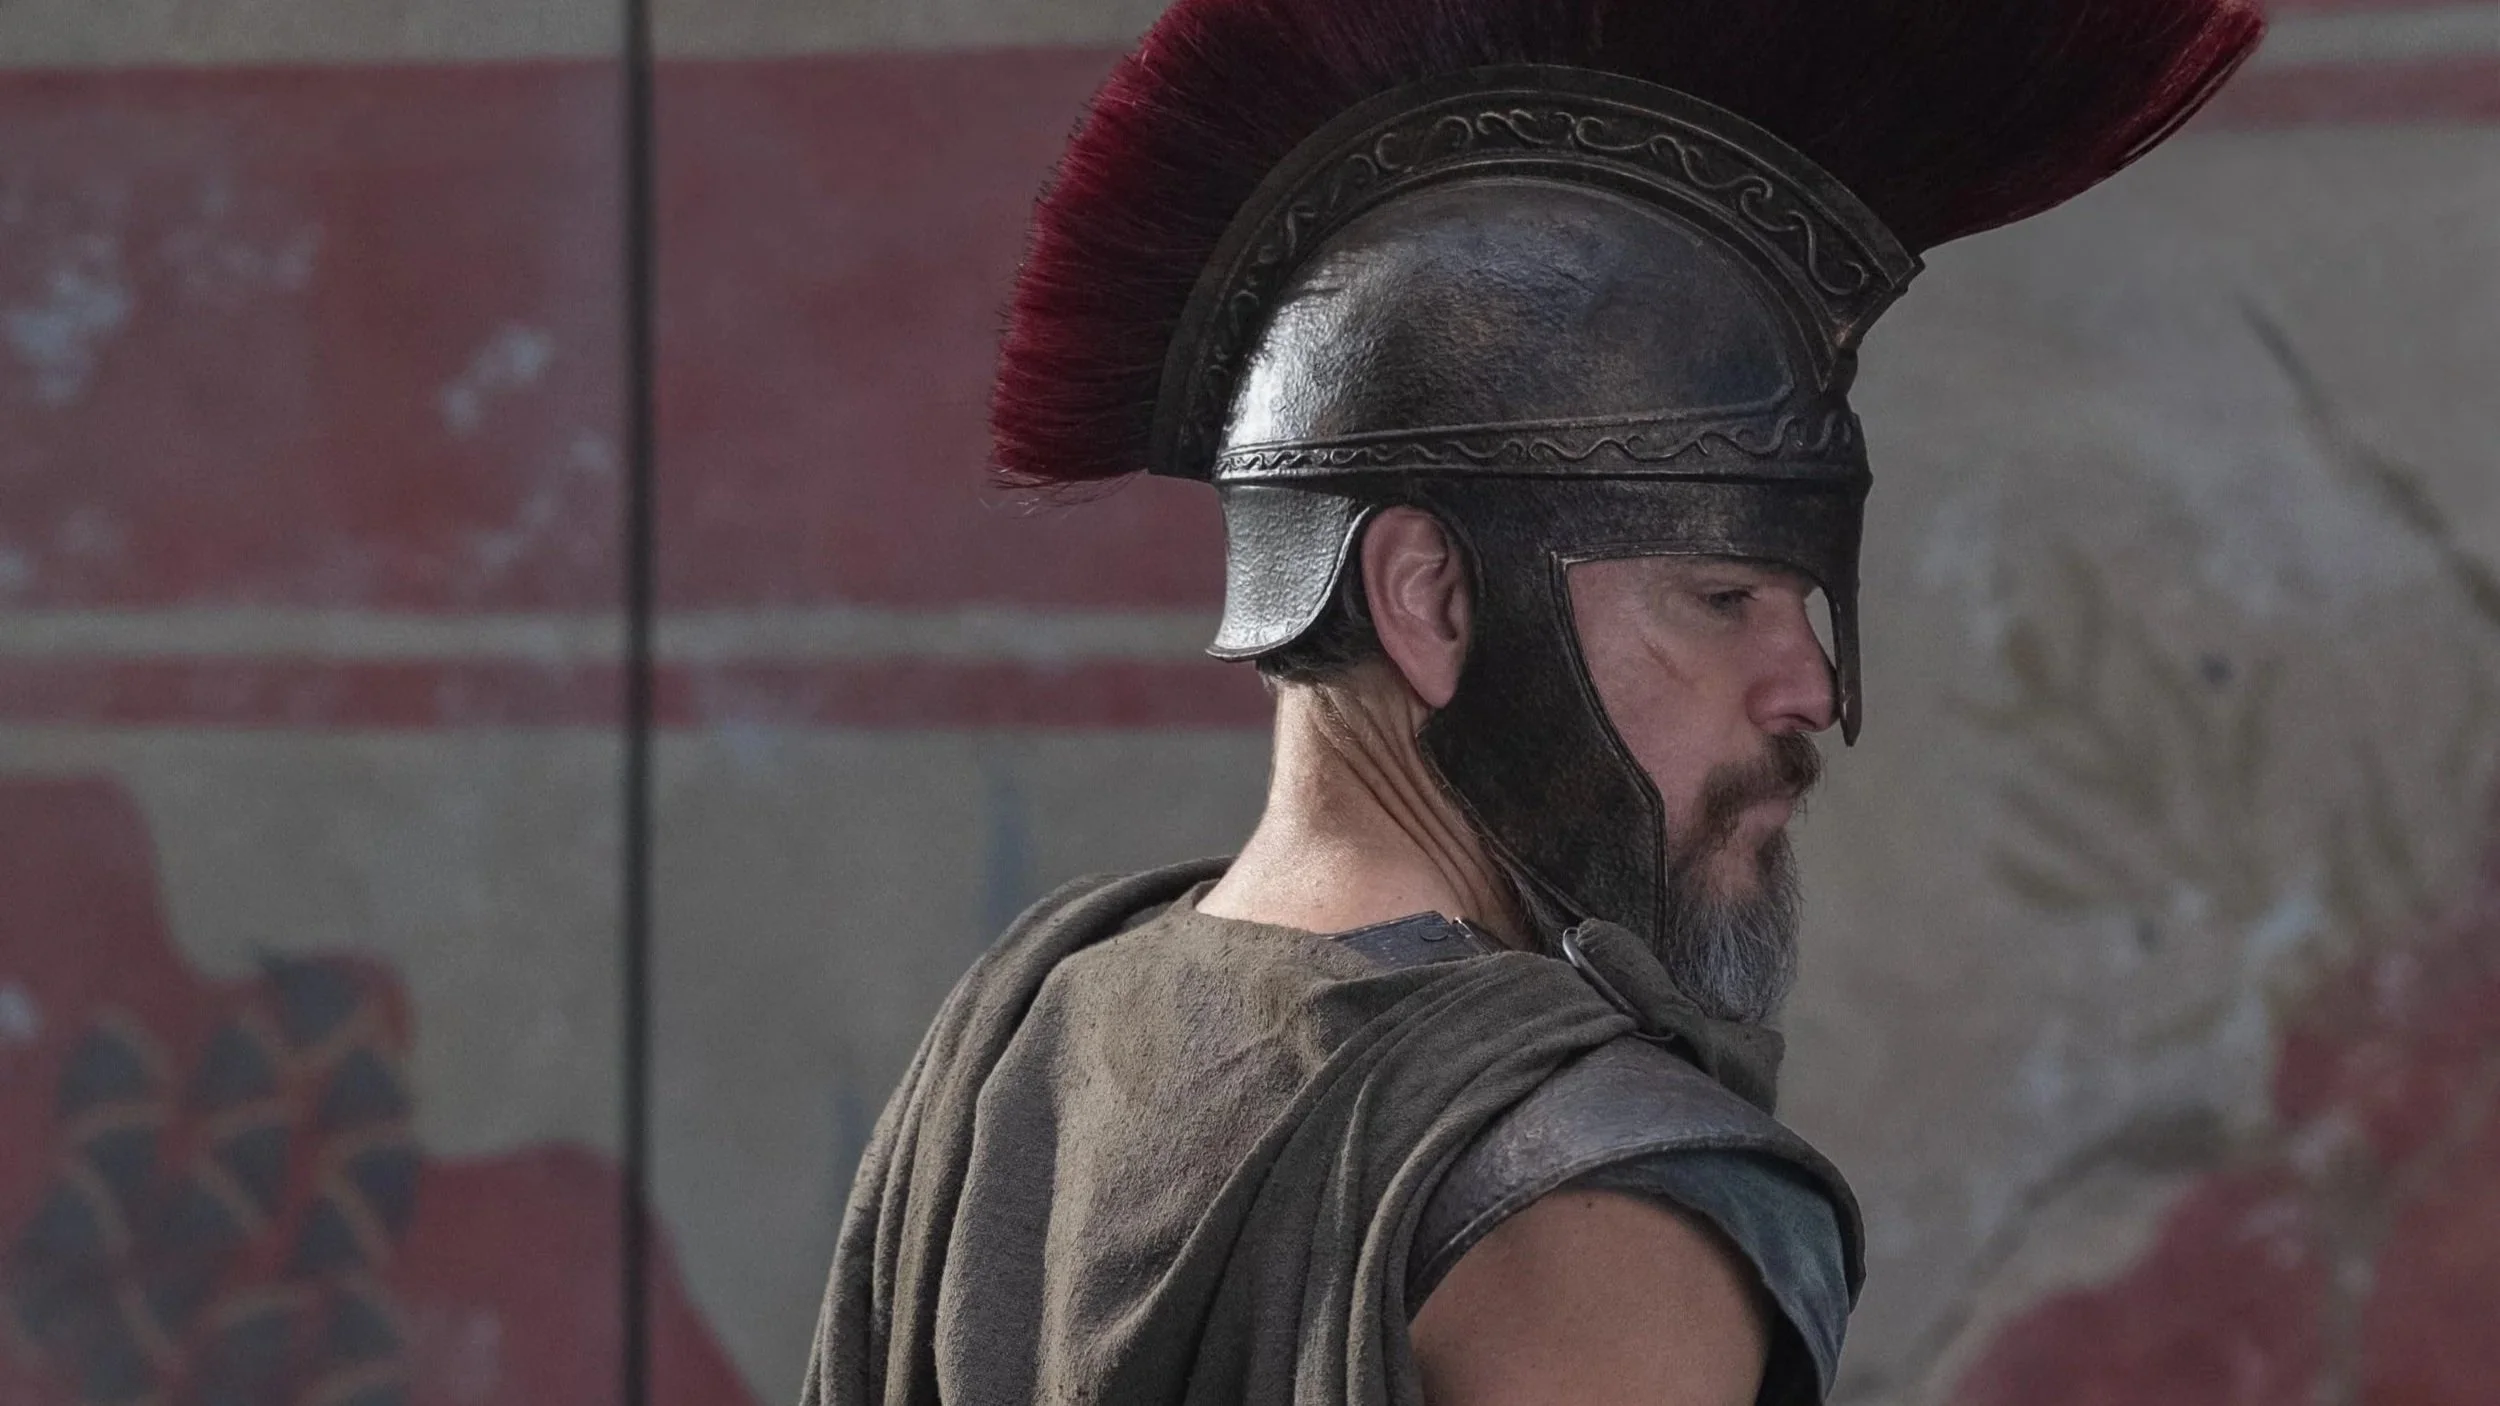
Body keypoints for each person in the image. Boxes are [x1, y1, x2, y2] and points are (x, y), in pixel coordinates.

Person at [802, 1, 2262, 1402]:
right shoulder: (1591, 1202)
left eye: (1801, 611)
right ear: (1432, 598)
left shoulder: (1024, 1042)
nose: (1809, 686)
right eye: (1724, 599)